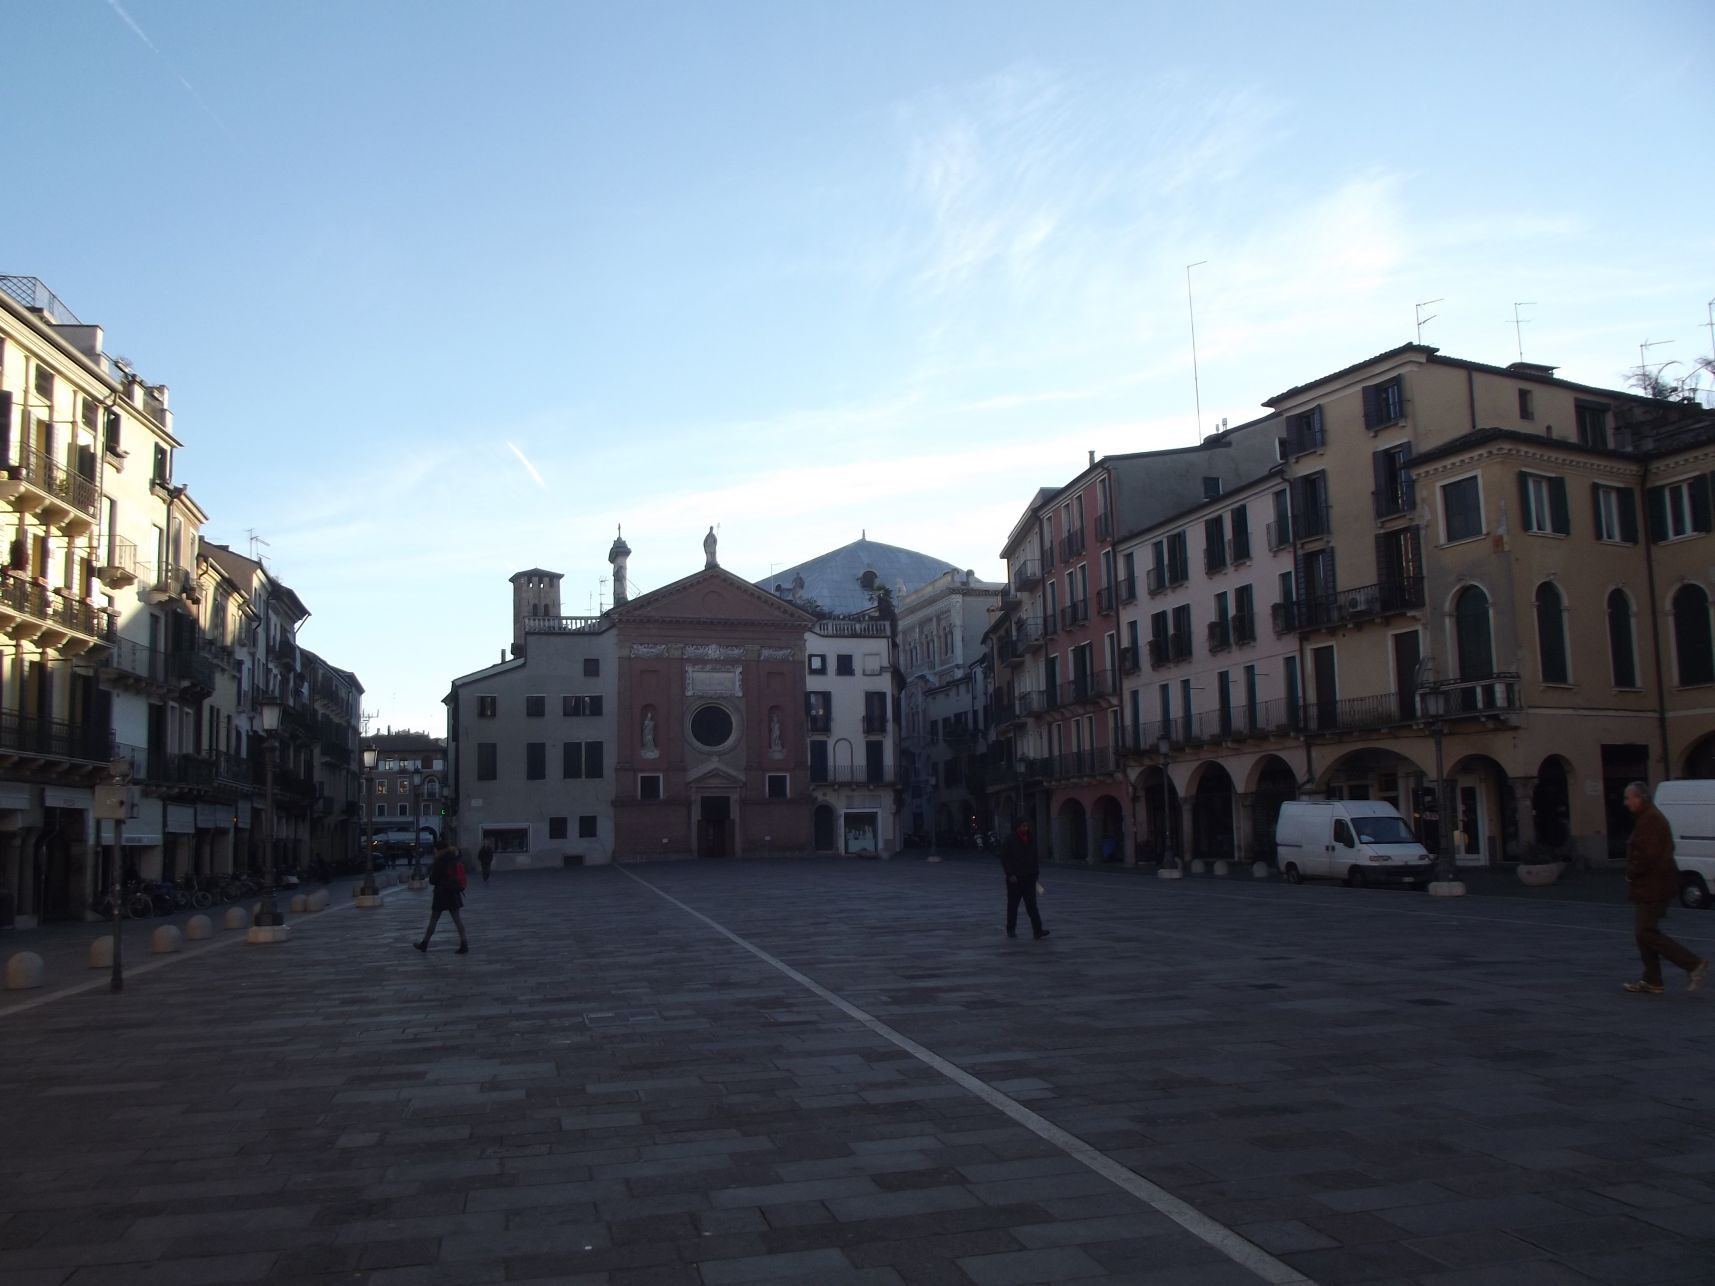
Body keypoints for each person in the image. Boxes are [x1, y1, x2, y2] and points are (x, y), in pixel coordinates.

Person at [1622, 781, 1706, 994]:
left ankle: (1692, 964)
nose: (1626, 803)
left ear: (1640, 798)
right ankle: (1652, 979)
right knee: (1644, 932)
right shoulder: (1648, 819)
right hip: (1651, 885)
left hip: (1653, 886)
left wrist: (1631, 871)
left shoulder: (1651, 821)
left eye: (1628, 798)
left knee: (1646, 931)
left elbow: (1648, 855)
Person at [999, 818, 1049, 940]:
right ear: (1017, 827)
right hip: (1015, 878)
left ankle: (1038, 930)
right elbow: (1005, 858)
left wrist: (1035, 873)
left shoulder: (1031, 839)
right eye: (1023, 826)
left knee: (1032, 905)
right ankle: (1011, 929)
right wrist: (1010, 874)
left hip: (1029, 877)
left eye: (1026, 826)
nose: (1025, 828)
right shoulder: (1010, 840)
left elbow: (1034, 857)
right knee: (1013, 905)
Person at [414, 843, 469, 954]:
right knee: (457, 919)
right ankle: (464, 943)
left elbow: (433, 880)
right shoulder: (454, 858)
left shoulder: (440, 860)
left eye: (434, 849)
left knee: (434, 919)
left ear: (438, 850)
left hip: (441, 893)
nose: (434, 851)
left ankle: (424, 943)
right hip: (453, 892)